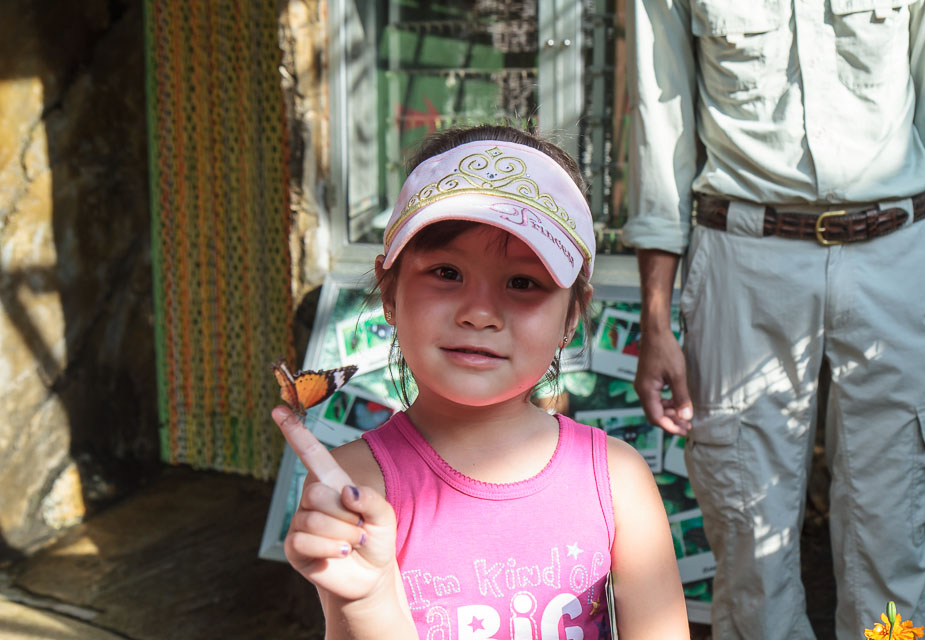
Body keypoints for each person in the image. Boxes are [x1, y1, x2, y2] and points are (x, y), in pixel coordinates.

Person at [272, 125, 690, 639]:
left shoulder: (617, 479)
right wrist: (368, 598)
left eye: (523, 282)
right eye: (447, 273)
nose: (479, 313)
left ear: (572, 316)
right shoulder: (355, 486)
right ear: (390, 290)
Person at [625, 1, 925, 638]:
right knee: (749, 543)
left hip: (895, 255)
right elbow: (658, 130)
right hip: (744, 260)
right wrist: (657, 320)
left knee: (895, 530)